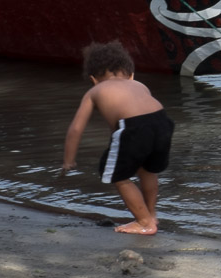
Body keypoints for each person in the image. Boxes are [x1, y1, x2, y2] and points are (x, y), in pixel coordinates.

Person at [61, 40, 175, 235]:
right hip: (163, 122)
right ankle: (152, 214)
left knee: (117, 175)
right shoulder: (139, 84)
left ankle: (144, 222)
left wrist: (68, 160)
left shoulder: (94, 91)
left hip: (133, 127)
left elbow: (75, 129)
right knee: (147, 170)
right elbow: (127, 124)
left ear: (94, 79)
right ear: (131, 74)